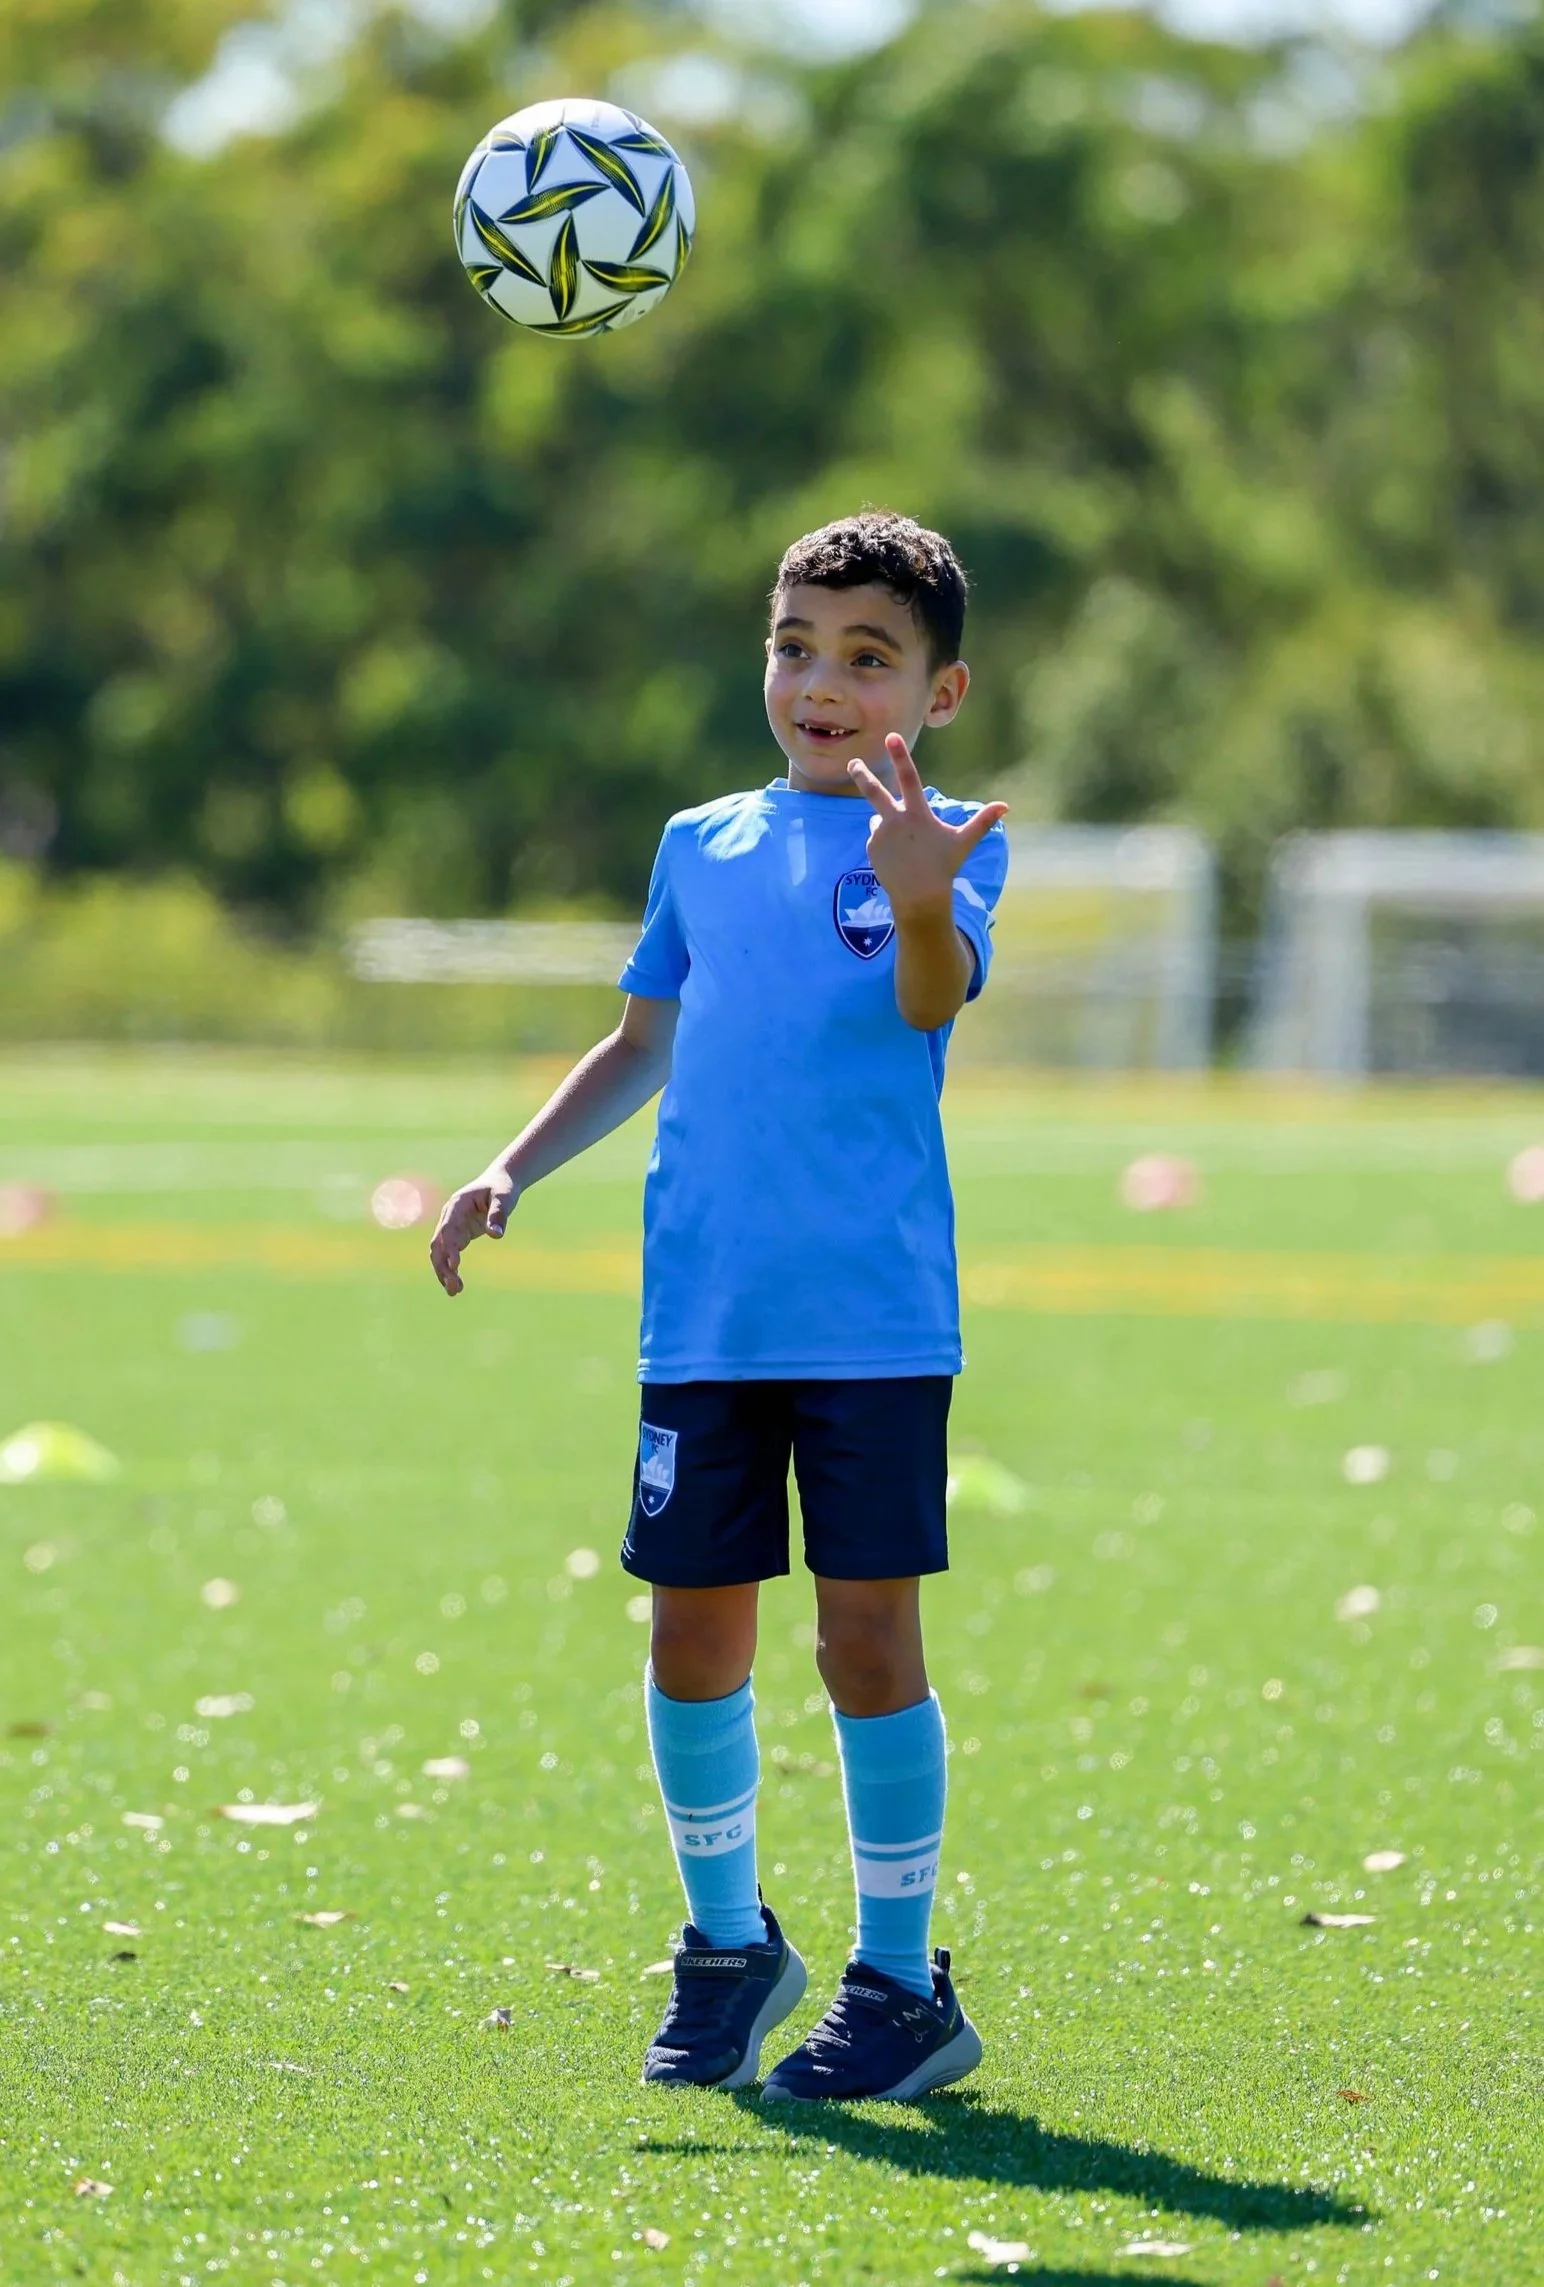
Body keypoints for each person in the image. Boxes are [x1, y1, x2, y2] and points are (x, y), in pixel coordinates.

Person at [430, 510, 1008, 2101]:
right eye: (795, 647)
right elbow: (640, 1038)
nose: (822, 682)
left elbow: (928, 1003)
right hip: (707, 1316)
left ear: (938, 693)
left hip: (876, 1319)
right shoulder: (704, 841)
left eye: (867, 658)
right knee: (693, 1635)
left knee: (864, 1635)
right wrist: (510, 1168)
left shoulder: (953, 840)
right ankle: (728, 1944)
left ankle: (899, 1982)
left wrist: (916, 895)